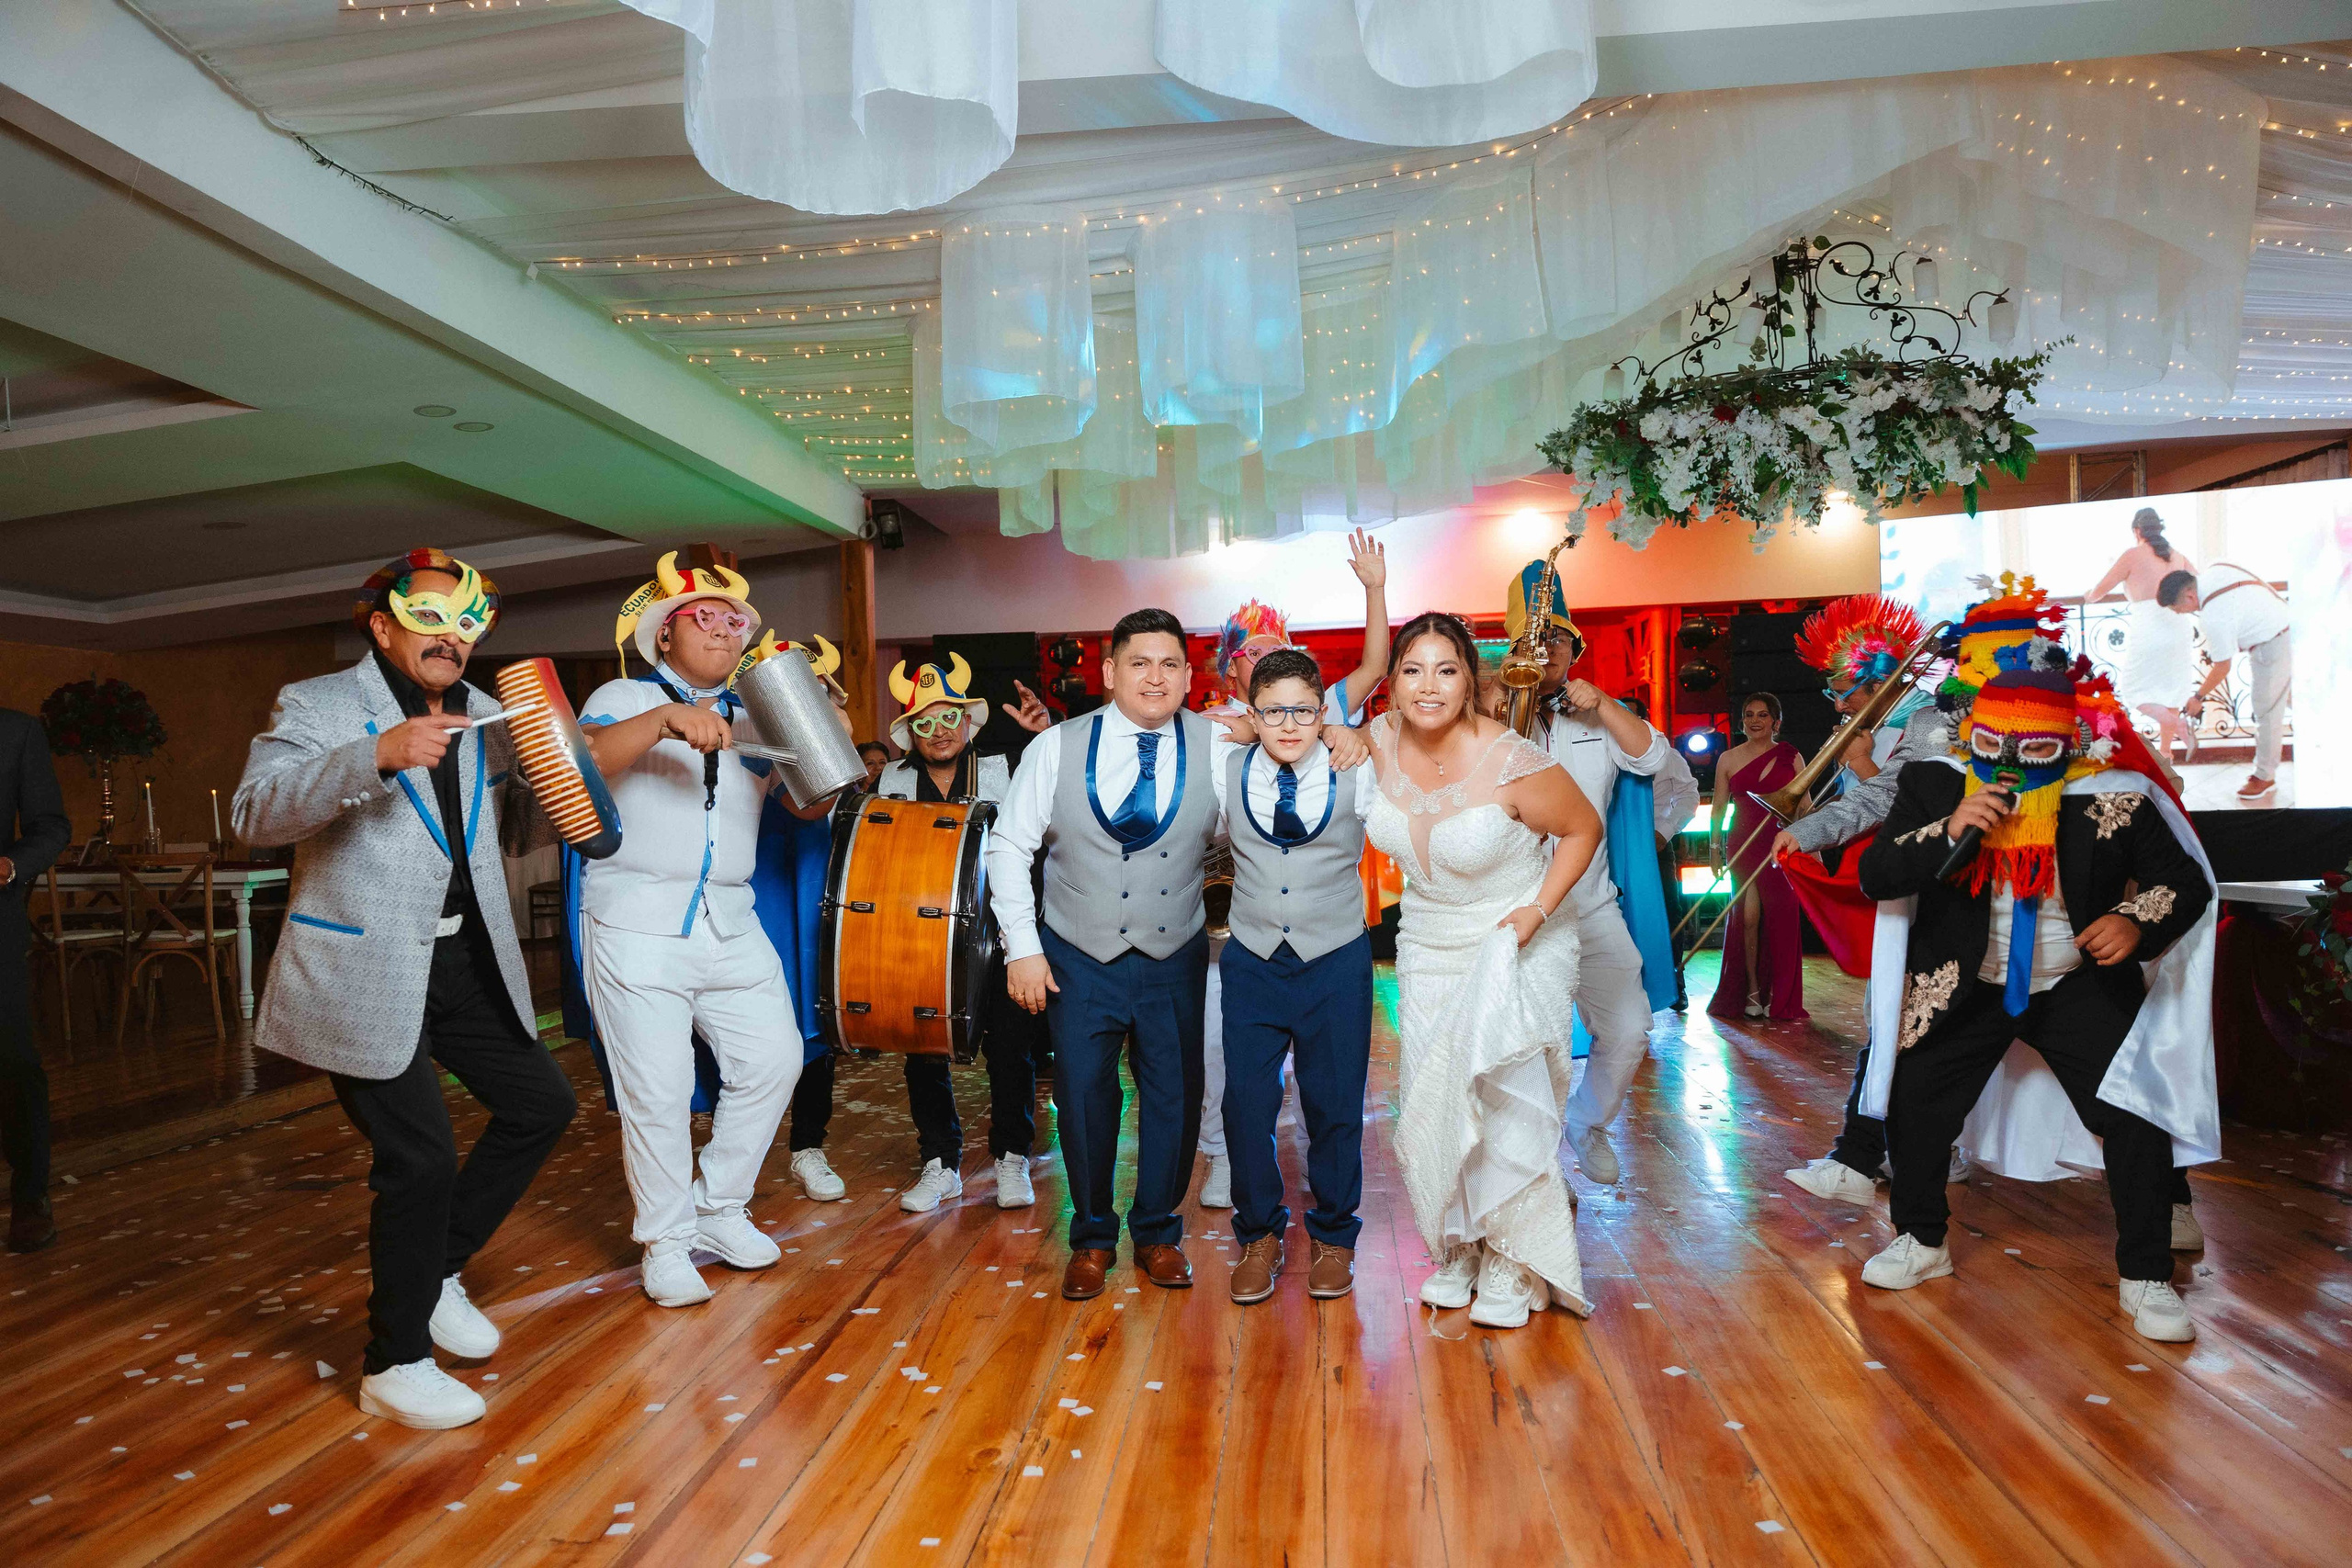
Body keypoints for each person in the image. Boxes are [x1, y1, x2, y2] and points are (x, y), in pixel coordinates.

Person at [232, 548, 576, 1429]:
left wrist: (568, 772)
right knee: (418, 1158)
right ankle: (393, 1362)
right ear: (382, 625)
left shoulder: (493, 715)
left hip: (466, 964)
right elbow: (254, 814)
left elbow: (535, 819)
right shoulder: (319, 704)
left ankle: (436, 1271)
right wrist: (373, 756)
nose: (451, 637)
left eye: (467, 624)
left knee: (540, 1103)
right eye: (430, 617)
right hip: (361, 965)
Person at [1855, 578, 2217, 1343]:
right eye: (1994, 749)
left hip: (2075, 982)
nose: (2013, 765)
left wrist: (2131, 919)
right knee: (1917, 1103)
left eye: (2036, 750)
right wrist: (1953, 826)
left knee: (2135, 1112)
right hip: (1965, 982)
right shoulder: (1933, 784)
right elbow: (1877, 873)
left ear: (2068, 744)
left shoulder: (2110, 798)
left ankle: (2146, 1274)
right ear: (1973, 739)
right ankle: (1922, 1238)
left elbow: (2183, 881)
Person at [576, 547, 832, 1309]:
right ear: (665, 634)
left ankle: (719, 1207)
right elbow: (585, 762)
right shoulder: (621, 694)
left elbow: (811, 804)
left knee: (775, 1058)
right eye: (706, 617)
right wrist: (661, 720)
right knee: (656, 1089)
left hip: (730, 916)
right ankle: (665, 1240)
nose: (724, 628)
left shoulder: (756, 712)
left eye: (735, 621)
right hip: (634, 917)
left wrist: (819, 719)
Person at [1370, 614, 1605, 1327]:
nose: (1429, 685)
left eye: (1446, 669)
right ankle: (1464, 1241)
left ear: (1473, 678)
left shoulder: (1509, 758)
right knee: (1439, 1093)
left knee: (1504, 1091)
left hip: (1514, 939)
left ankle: (1514, 1257)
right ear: (1394, 682)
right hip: (1429, 943)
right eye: (1413, 669)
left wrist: (1536, 910)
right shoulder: (1375, 739)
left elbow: (1582, 828)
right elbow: (1300, 719)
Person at [988, 608, 1222, 1299]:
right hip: (1075, 956)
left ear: (1187, 674)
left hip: (1173, 950)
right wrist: (1021, 949)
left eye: (1169, 663)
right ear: (1111, 671)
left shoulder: (1222, 745)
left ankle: (1156, 1230)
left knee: (1175, 1096)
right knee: (1085, 1096)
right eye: (1140, 662)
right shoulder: (1056, 746)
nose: (1155, 676)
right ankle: (1091, 1236)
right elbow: (1009, 846)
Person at [786, 656, 1052, 1214]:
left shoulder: (1009, 765)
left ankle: (1011, 1157)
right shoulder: (892, 780)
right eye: (924, 724)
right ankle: (941, 1160)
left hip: (999, 933)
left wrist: (1045, 741)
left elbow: (1048, 825)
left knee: (1012, 1050)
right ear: (909, 733)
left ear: (967, 722)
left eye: (948, 719)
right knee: (922, 1050)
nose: (939, 733)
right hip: (919, 942)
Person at [1193, 528, 1388, 1209]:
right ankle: (1231, 1173)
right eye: (1252, 652)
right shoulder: (1213, 731)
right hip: (1239, 936)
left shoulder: (1328, 717)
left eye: (1276, 648)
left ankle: (1328, 1202)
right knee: (1235, 1079)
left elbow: (1373, 668)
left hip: (1329, 943)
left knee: (1331, 1094)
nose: (1265, 658)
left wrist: (1372, 588)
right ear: (1231, 670)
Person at [1770, 594, 1962, 1201]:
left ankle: (1879, 1155)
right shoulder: (1890, 724)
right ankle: (1874, 1153)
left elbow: (1891, 803)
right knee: (1899, 1025)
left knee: (1908, 1027)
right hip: (1908, 888)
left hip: (1940, 891)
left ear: (1880, 681)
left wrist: (1811, 826)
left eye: (1845, 689)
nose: (1841, 703)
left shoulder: (1929, 720)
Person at [1211, 649, 1378, 1304]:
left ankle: (1335, 1237)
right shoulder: (1224, 763)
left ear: (1322, 713)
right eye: (1273, 709)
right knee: (1245, 1104)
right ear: (1252, 712)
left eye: (1303, 710)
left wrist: (1350, 733)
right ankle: (1259, 1234)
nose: (1288, 723)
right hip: (1253, 955)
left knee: (1333, 1105)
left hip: (1335, 954)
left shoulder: (1356, 766)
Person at [1505, 560, 1673, 1187]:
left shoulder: (1597, 717)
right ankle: (1535, 1174)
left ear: (1576, 648)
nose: (1546, 647)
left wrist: (1603, 705)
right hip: (1519, 912)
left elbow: (1654, 756)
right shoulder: (1494, 715)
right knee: (1532, 1049)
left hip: (1591, 906)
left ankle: (1589, 1119)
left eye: (1558, 637)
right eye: (1535, 636)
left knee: (1629, 1029)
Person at [2, 706, 71, 1253]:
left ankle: (30, 1198)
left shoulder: (16, 731)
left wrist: (8, 865)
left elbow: (51, 827)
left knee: (15, 1061)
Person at [1707, 694, 1807, 1021]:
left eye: (1763, 715)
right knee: (1747, 919)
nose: (1755, 721)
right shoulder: (1728, 758)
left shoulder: (1791, 756)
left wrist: (1814, 845)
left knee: (1782, 919)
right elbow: (1719, 808)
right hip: (1742, 842)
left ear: (1775, 721)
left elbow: (1804, 806)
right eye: (1749, 715)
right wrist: (1714, 850)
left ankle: (1779, 994)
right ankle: (1751, 989)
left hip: (1780, 843)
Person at [2166, 564, 2292, 803]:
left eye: (2178, 608)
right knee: (2294, 700)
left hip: (2272, 645)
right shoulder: (2214, 568)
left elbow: (2223, 666)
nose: (2180, 613)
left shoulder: (2214, 616)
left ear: (2190, 596)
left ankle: (2264, 776)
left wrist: (2198, 697)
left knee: (2267, 713)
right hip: (2289, 625)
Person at [2088, 507, 2199, 760]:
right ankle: (2166, 751)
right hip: (2179, 624)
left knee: (2132, 689)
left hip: (2149, 625)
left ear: (2137, 531)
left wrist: (2088, 596)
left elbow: (2099, 591)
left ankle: (2176, 726)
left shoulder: (2132, 555)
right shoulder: (2177, 556)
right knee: (2172, 688)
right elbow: (2199, 582)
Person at [1627, 696, 1698, 1012]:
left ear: (1643, 719)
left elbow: (1688, 796)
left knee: (1669, 914)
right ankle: (1628, 990)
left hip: (1655, 844)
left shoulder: (1666, 754)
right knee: (1621, 916)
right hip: (1615, 845)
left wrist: (1665, 830)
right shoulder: (1600, 754)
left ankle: (1673, 984)